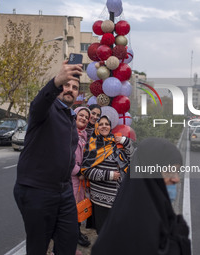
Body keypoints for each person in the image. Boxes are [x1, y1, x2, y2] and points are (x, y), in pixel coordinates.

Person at [13, 60, 83, 255]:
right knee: (38, 247)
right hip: (37, 190)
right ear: (59, 87)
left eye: (75, 87)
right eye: (66, 85)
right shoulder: (46, 110)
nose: (70, 90)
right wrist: (55, 81)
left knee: (69, 240)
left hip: (64, 191)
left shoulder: (70, 117)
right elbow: (38, 103)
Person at [91, 137, 191, 255]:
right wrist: (178, 240)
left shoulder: (155, 208)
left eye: (177, 172)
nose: (176, 179)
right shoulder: (130, 224)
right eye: (170, 171)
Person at [81, 115, 134, 234]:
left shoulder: (115, 143)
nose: (104, 126)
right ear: (96, 127)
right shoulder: (92, 145)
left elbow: (131, 159)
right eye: (101, 124)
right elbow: (86, 171)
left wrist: (126, 142)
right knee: (103, 233)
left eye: (107, 124)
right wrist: (108, 175)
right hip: (101, 199)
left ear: (110, 127)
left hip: (119, 197)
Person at [71, 107, 92, 249]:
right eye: (81, 115)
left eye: (86, 117)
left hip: (81, 177)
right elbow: (65, 157)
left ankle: (76, 233)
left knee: (78, 206)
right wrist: (78, 171)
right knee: (71, 207)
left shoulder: (84, 135)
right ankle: (72, 236)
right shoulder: (68, 132)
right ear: (75, 115)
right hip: (71, 177)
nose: (83, 118)